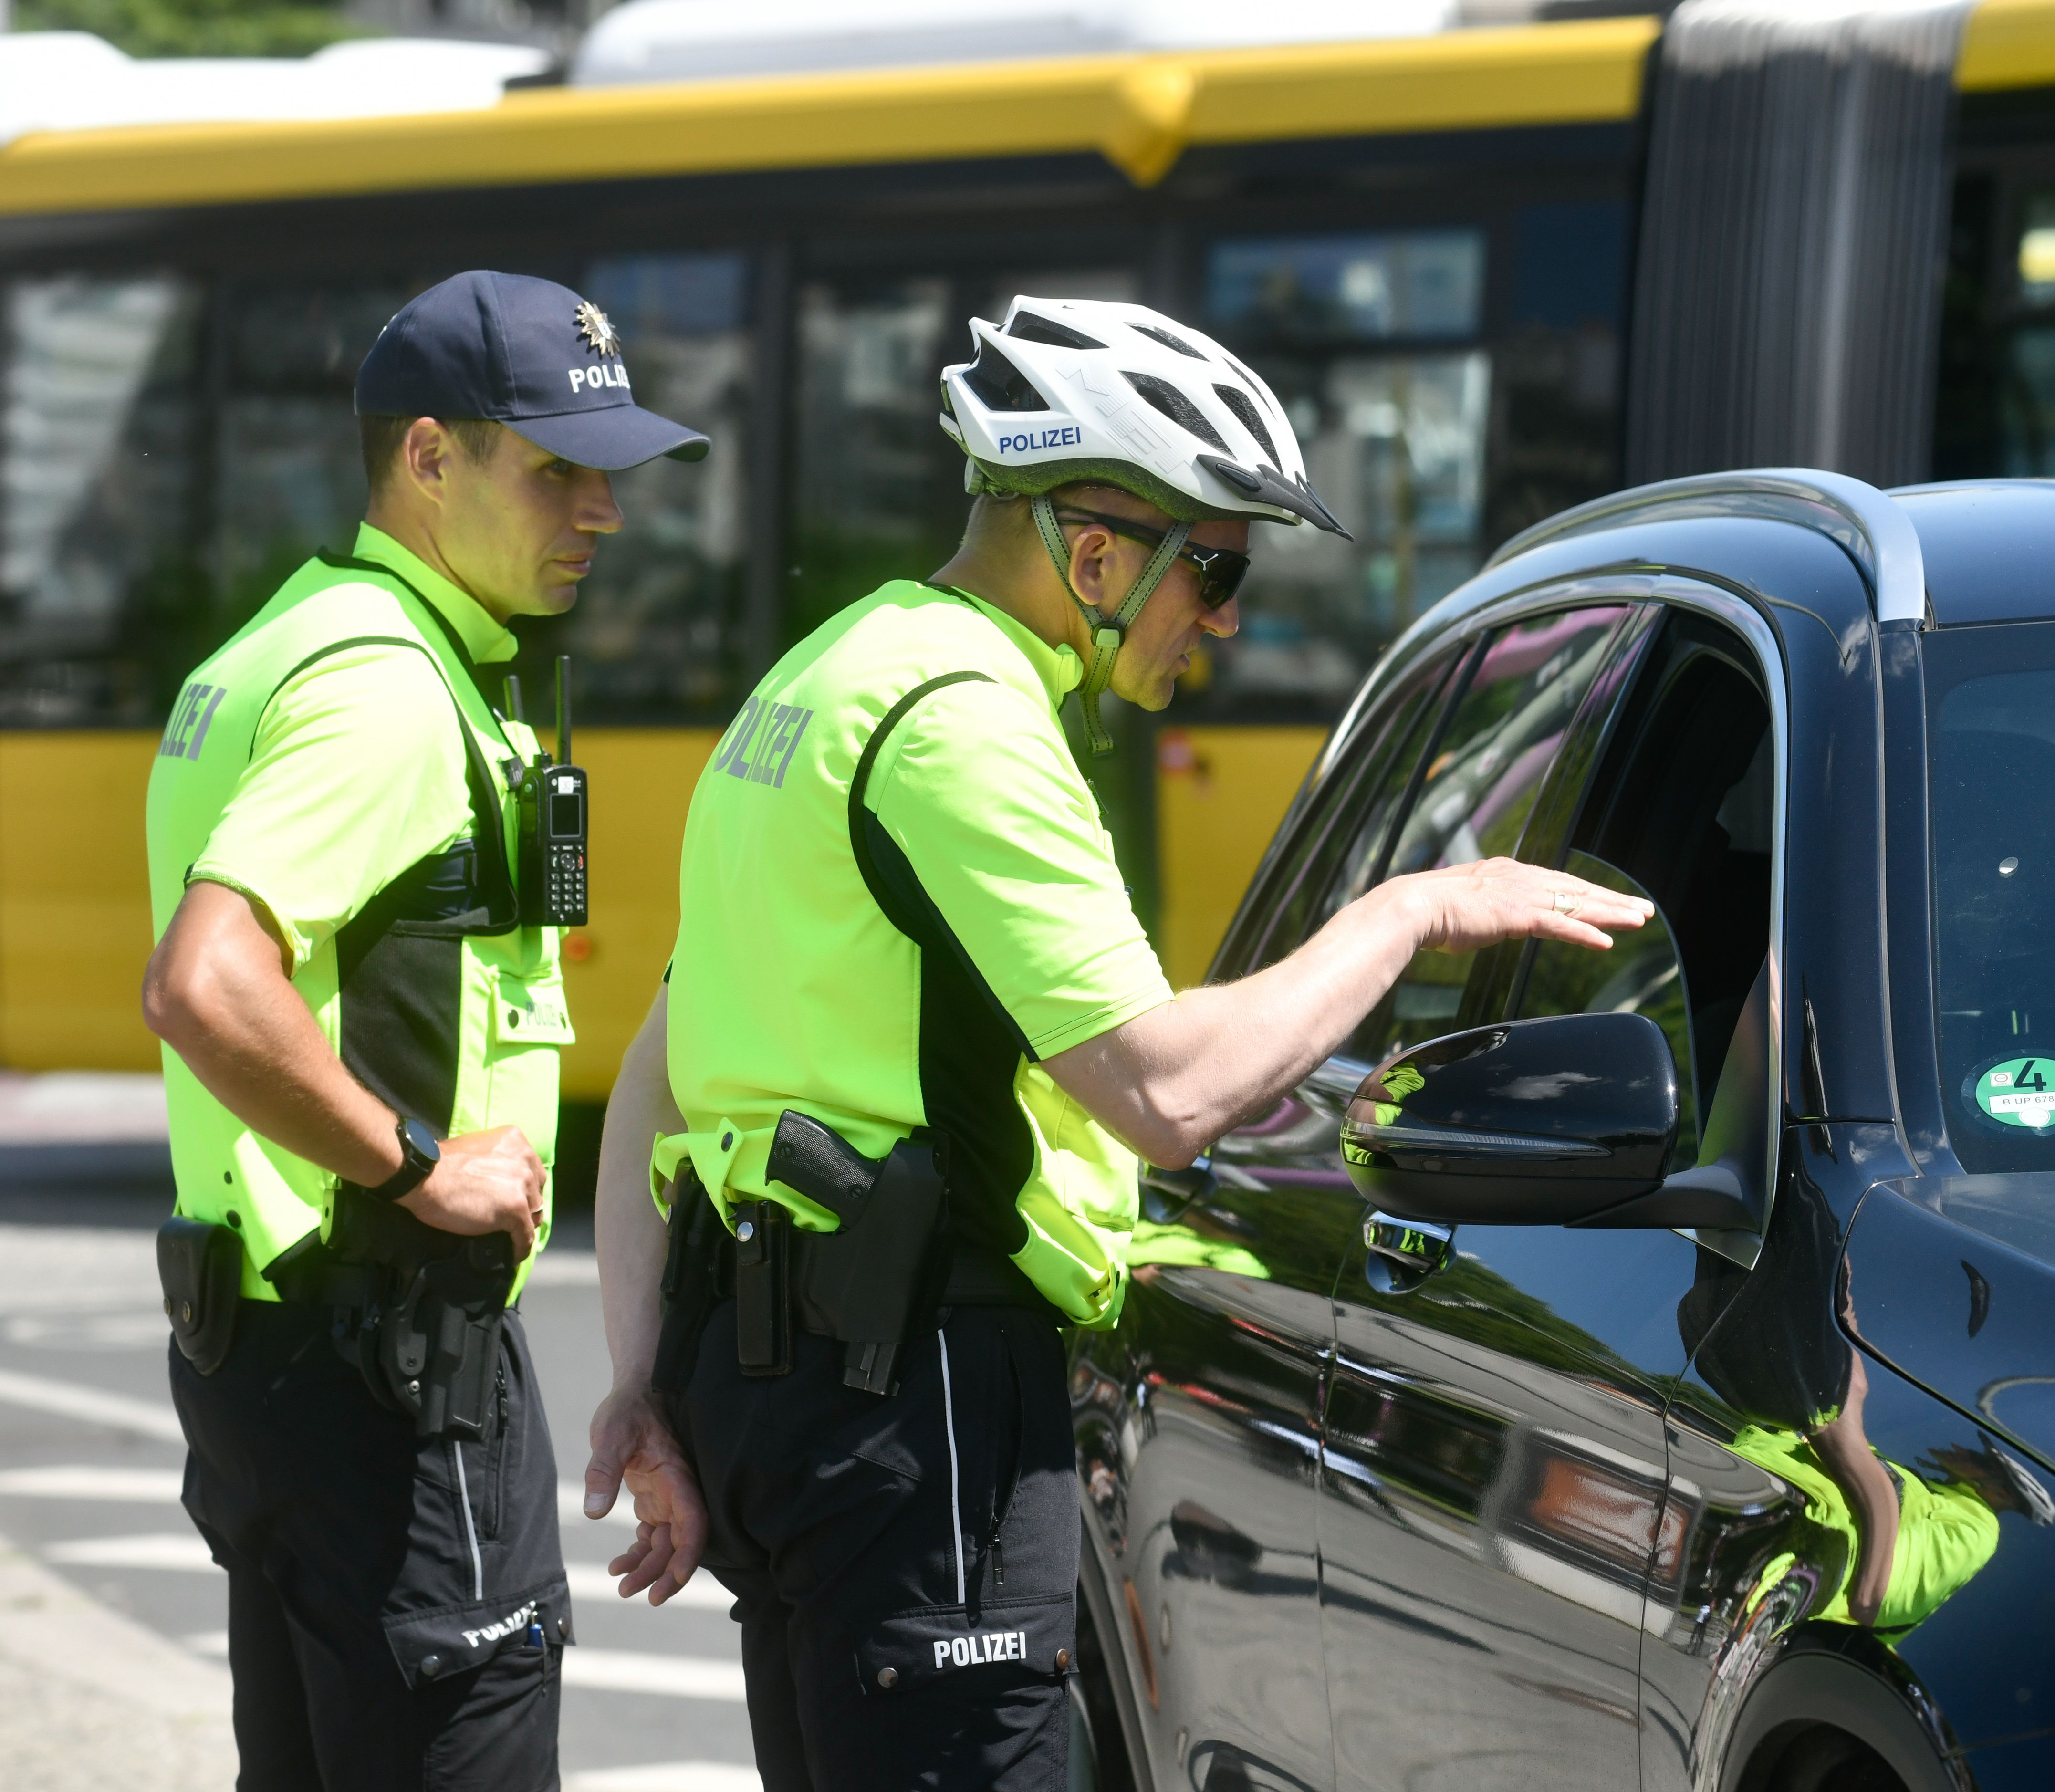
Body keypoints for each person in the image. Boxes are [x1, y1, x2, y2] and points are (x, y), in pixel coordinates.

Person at [583, 296, 1648, 1789]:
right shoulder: (966, 724)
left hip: (782, 1395)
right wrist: (1410, 908)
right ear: (1092, 551)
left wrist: (641, 1372)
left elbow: (655, 1065)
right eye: (1211, 565)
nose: (1221, 613)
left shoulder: (827, 674)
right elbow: (1168, 1089)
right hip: (926, 1411)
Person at [140, 270, 707, 1788]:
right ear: (428, 457)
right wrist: (418, 1165)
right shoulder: (390, 690)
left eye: (611, 473)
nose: (601, 511)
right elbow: (205, 978)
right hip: (394, 1367)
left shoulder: (295, 636)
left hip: (271, 1352)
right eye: (556, 469)